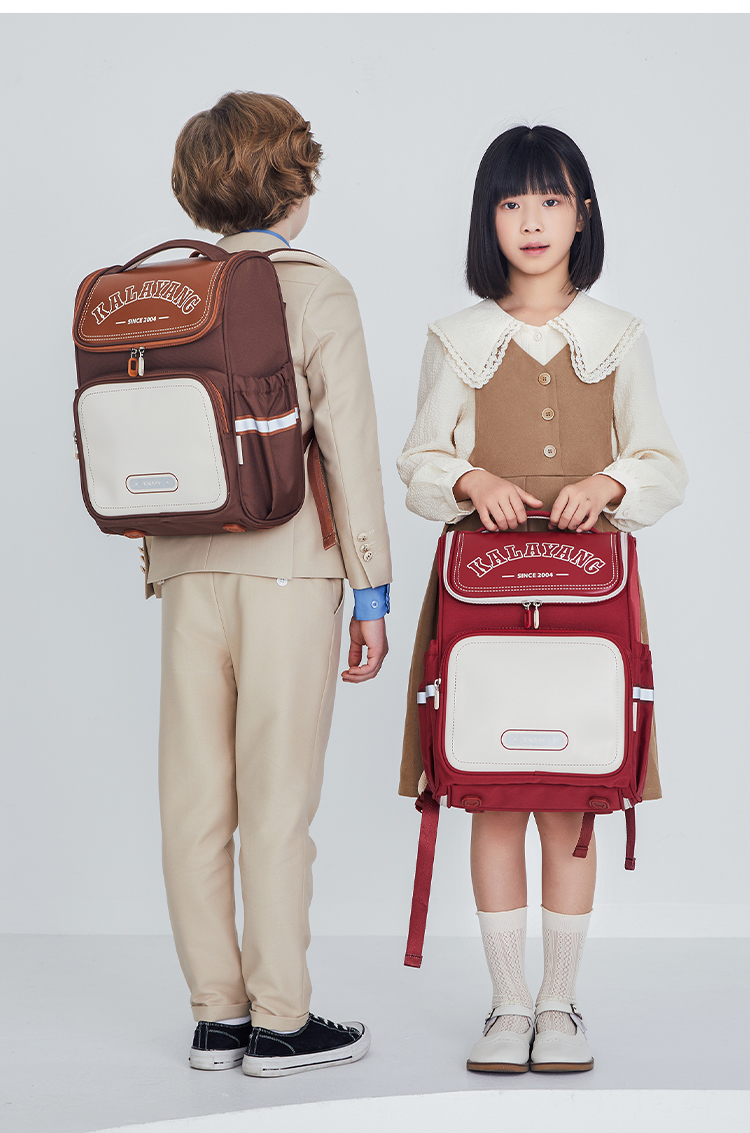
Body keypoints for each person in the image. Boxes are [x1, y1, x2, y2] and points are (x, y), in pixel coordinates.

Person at [397, 125, 686, 1073]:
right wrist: (470, 479)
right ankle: (507, 1002)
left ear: (582, 215)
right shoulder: (457, 339)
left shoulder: (619, 338)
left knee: (572, 795)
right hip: (482, 595)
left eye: (552, 200)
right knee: (492, 792)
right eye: (512, 202)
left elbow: (662, 462)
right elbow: (419, 459)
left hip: (589, 599)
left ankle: (559, 1002)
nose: (532, 220)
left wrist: (610, 482)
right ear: (487, 219)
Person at [143, 91, 392, 1077]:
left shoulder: (169, 288)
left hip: (183, 565)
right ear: (296, 182)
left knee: (195, 801)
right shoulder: (316, 287)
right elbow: (350, 448)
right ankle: (281, 1021)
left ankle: (216, 1016)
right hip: (289, 568)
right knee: (277, 801)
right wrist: (370, 590)